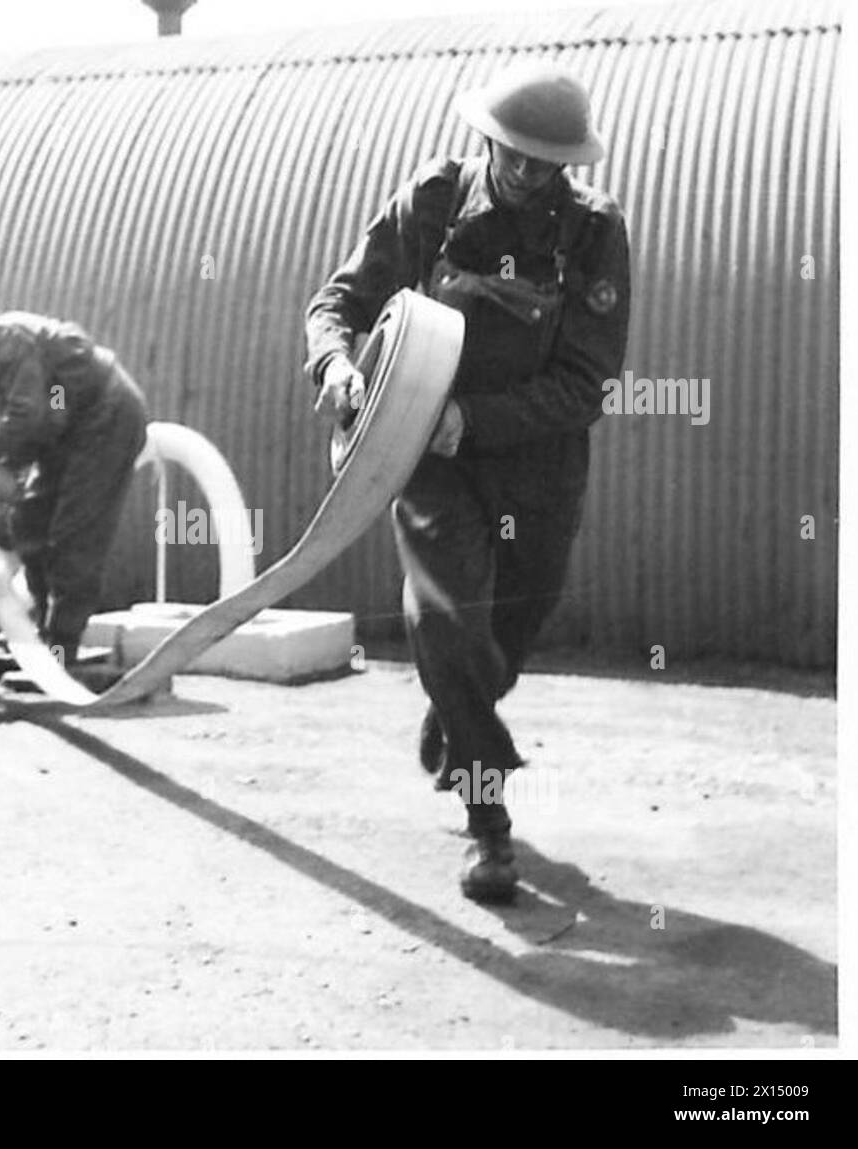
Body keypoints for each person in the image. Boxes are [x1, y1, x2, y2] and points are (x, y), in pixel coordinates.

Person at [304, 63, 631, 903]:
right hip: (430, 456)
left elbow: (586, 383)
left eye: (545, 164)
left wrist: (474, 420)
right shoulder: (435, 201)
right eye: (512, 155)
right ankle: (490, 826)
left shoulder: (594, 233)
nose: (525, 174)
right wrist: (337, 365)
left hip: (539, 466)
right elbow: (337, 301)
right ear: (486, 138)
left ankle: (455, 713)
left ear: (569, 164)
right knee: (447, 622)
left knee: (508, 633)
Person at [0, 293, 148, 664]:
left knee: (74, 532)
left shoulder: (8, 341)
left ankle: (62, 644)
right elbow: (42, 420)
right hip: (68, 430)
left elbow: (28, 415)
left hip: (105, 416)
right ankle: (37, 630)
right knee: (28, 522)